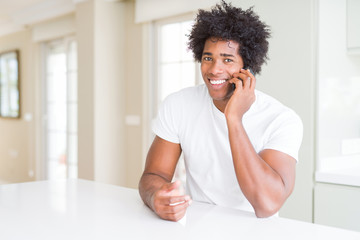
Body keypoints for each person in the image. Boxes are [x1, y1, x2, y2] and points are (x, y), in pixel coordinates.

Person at [139, 1, 303, 222]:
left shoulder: (282, 120)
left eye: (228, 59)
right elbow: (153, 175)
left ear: (249, 66)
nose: (214, 70)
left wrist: (233, 119)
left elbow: (267, 204)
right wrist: (156, 198)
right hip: (197, 226)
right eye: (208, 58)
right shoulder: (178, 105)